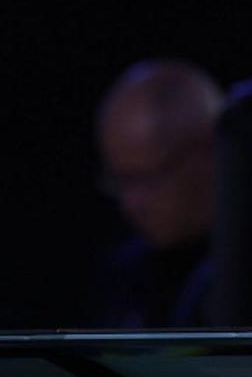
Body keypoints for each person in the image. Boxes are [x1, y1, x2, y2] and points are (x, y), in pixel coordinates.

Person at [94, 60, 224, 328]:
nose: (130, 204)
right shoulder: (126, 274)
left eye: (146, 179)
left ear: (208, 153)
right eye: (120, 180)